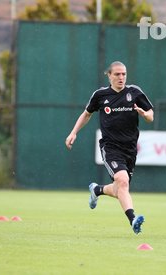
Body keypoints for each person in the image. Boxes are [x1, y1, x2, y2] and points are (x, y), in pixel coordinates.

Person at [65, 61, 154, 234]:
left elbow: (151, 115)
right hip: (110, 147)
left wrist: (145, 114)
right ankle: (133, 219)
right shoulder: (100, 95)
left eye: (124, 74)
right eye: (117, 74)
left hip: (130, 149)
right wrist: (73, 132)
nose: (121, 77)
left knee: (120, 187)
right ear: (109, 75)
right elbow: (87, 114)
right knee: (122, 181)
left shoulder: (134, 92)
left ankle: (97, 190)